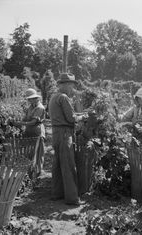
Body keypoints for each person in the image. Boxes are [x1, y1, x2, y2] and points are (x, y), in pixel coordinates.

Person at [48, 73, 86, 206]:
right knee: (69, 165)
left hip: (56, 133)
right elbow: (71, 118)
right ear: (64, 85)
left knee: (57, 164)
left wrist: (78, 114)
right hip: (65, 134)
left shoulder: (54, 97)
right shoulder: (64, 97)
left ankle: (57, 193)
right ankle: (72, 198)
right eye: (71, 86)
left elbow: (64, 115)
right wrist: (83, 117)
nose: (72, 89)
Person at [14, 88, 46, 176]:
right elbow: (25, 117)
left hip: (37, 131)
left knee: (38, 152)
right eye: (28, 99)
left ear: (35, 98)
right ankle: (30, 171)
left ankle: (38, 172)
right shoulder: (31, 106)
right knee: (30, 151)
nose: (29, 100)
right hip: (29, 131)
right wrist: (17, 122)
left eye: (30, 99)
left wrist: (21, 123)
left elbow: (33, 122)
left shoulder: (40, 108)